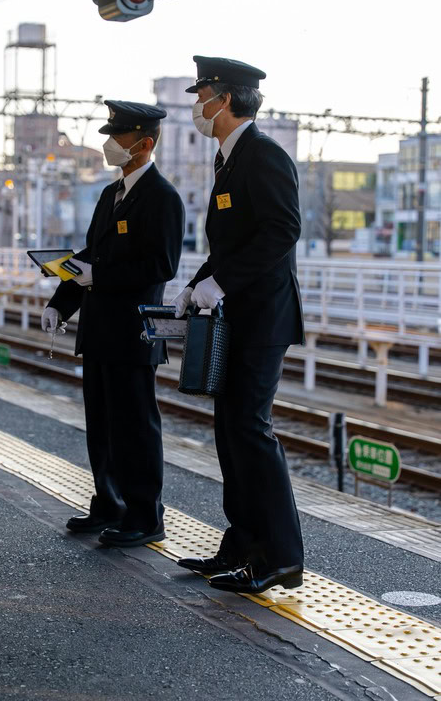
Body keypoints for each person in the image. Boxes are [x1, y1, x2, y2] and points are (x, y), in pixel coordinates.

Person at [173, 56, 305, 593]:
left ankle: (280, 557)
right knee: (230, 431)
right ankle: (243, 545)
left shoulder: (263, 155)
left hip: (262, 318)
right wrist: (197, 281)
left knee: (251, 431)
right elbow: (231, 243)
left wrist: (221, 284)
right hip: (237, 316)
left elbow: (281, 231)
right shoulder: (229, 160)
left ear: (224, 99)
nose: (197, 107)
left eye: (201, 95)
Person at [42, 100, 185, 548]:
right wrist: (59, 303)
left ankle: (146, 515)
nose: (108, 144)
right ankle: (108, 503)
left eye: (117, 137)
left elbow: (161, 266)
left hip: (132, 332)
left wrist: (99, 277)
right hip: (100, 329)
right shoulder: (111, 194)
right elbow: (87, 257)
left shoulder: (163, 198)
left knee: (136, 427)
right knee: (101, 422)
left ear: (143, 144)